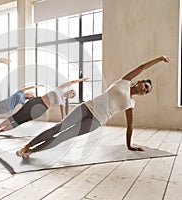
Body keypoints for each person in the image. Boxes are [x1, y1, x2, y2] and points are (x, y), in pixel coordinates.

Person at [16, 55, 171, 158]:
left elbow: (130, 125)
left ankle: (32, 151)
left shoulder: (131, 104)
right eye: (145, 87)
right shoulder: (124, 81)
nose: (144, 90)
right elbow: (142, 67)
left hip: (97, 120)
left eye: (147, 92)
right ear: (139, 82)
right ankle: (26, 145)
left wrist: (130, 145)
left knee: (65, 136)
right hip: (87, 107)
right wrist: (160, 59)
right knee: (60, 127)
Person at [0, 78, 88, 138]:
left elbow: (63, 116)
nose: (71, 92)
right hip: (37, 101)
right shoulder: (60, 89)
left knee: (20, 121)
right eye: (71, 91)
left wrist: (65, 124)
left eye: (72, 94)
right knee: (17, 116)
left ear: (70, 97)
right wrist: (81, 80)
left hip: (41, 109)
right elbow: (70, 82)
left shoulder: (62, 102)